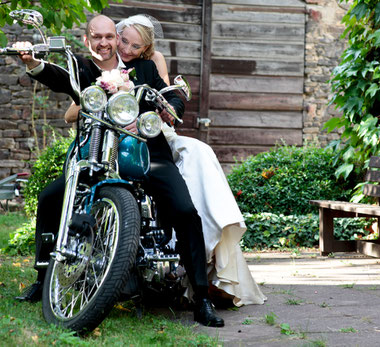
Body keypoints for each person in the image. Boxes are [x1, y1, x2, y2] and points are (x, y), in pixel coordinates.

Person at [14, 14, 224, 328]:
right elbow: (58, 77)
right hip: (96, 152)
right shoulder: (82, 68)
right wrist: (32, 62)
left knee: (184, 210)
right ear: (87, 40)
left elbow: (169, 95)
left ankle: (202, 298)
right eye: (96, 37)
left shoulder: (145, 69)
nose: (105, 43)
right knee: (49, 198)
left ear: (116, 37)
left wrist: (171, 109)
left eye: (110, 37)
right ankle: (44, 278)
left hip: (146, 152)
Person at [82, 14, 265, 306]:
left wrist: (161, 111)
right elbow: (72, 100)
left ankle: (200, 289)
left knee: (187, 199)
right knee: (56, 196)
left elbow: (168, 96)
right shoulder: (89, 67)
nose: (125, 48)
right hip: (103, 147)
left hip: (149, 143)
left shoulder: (146, 67)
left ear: (145, 48)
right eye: (122, 41)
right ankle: (50, 277)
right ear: (114, 38)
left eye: (134, 45)